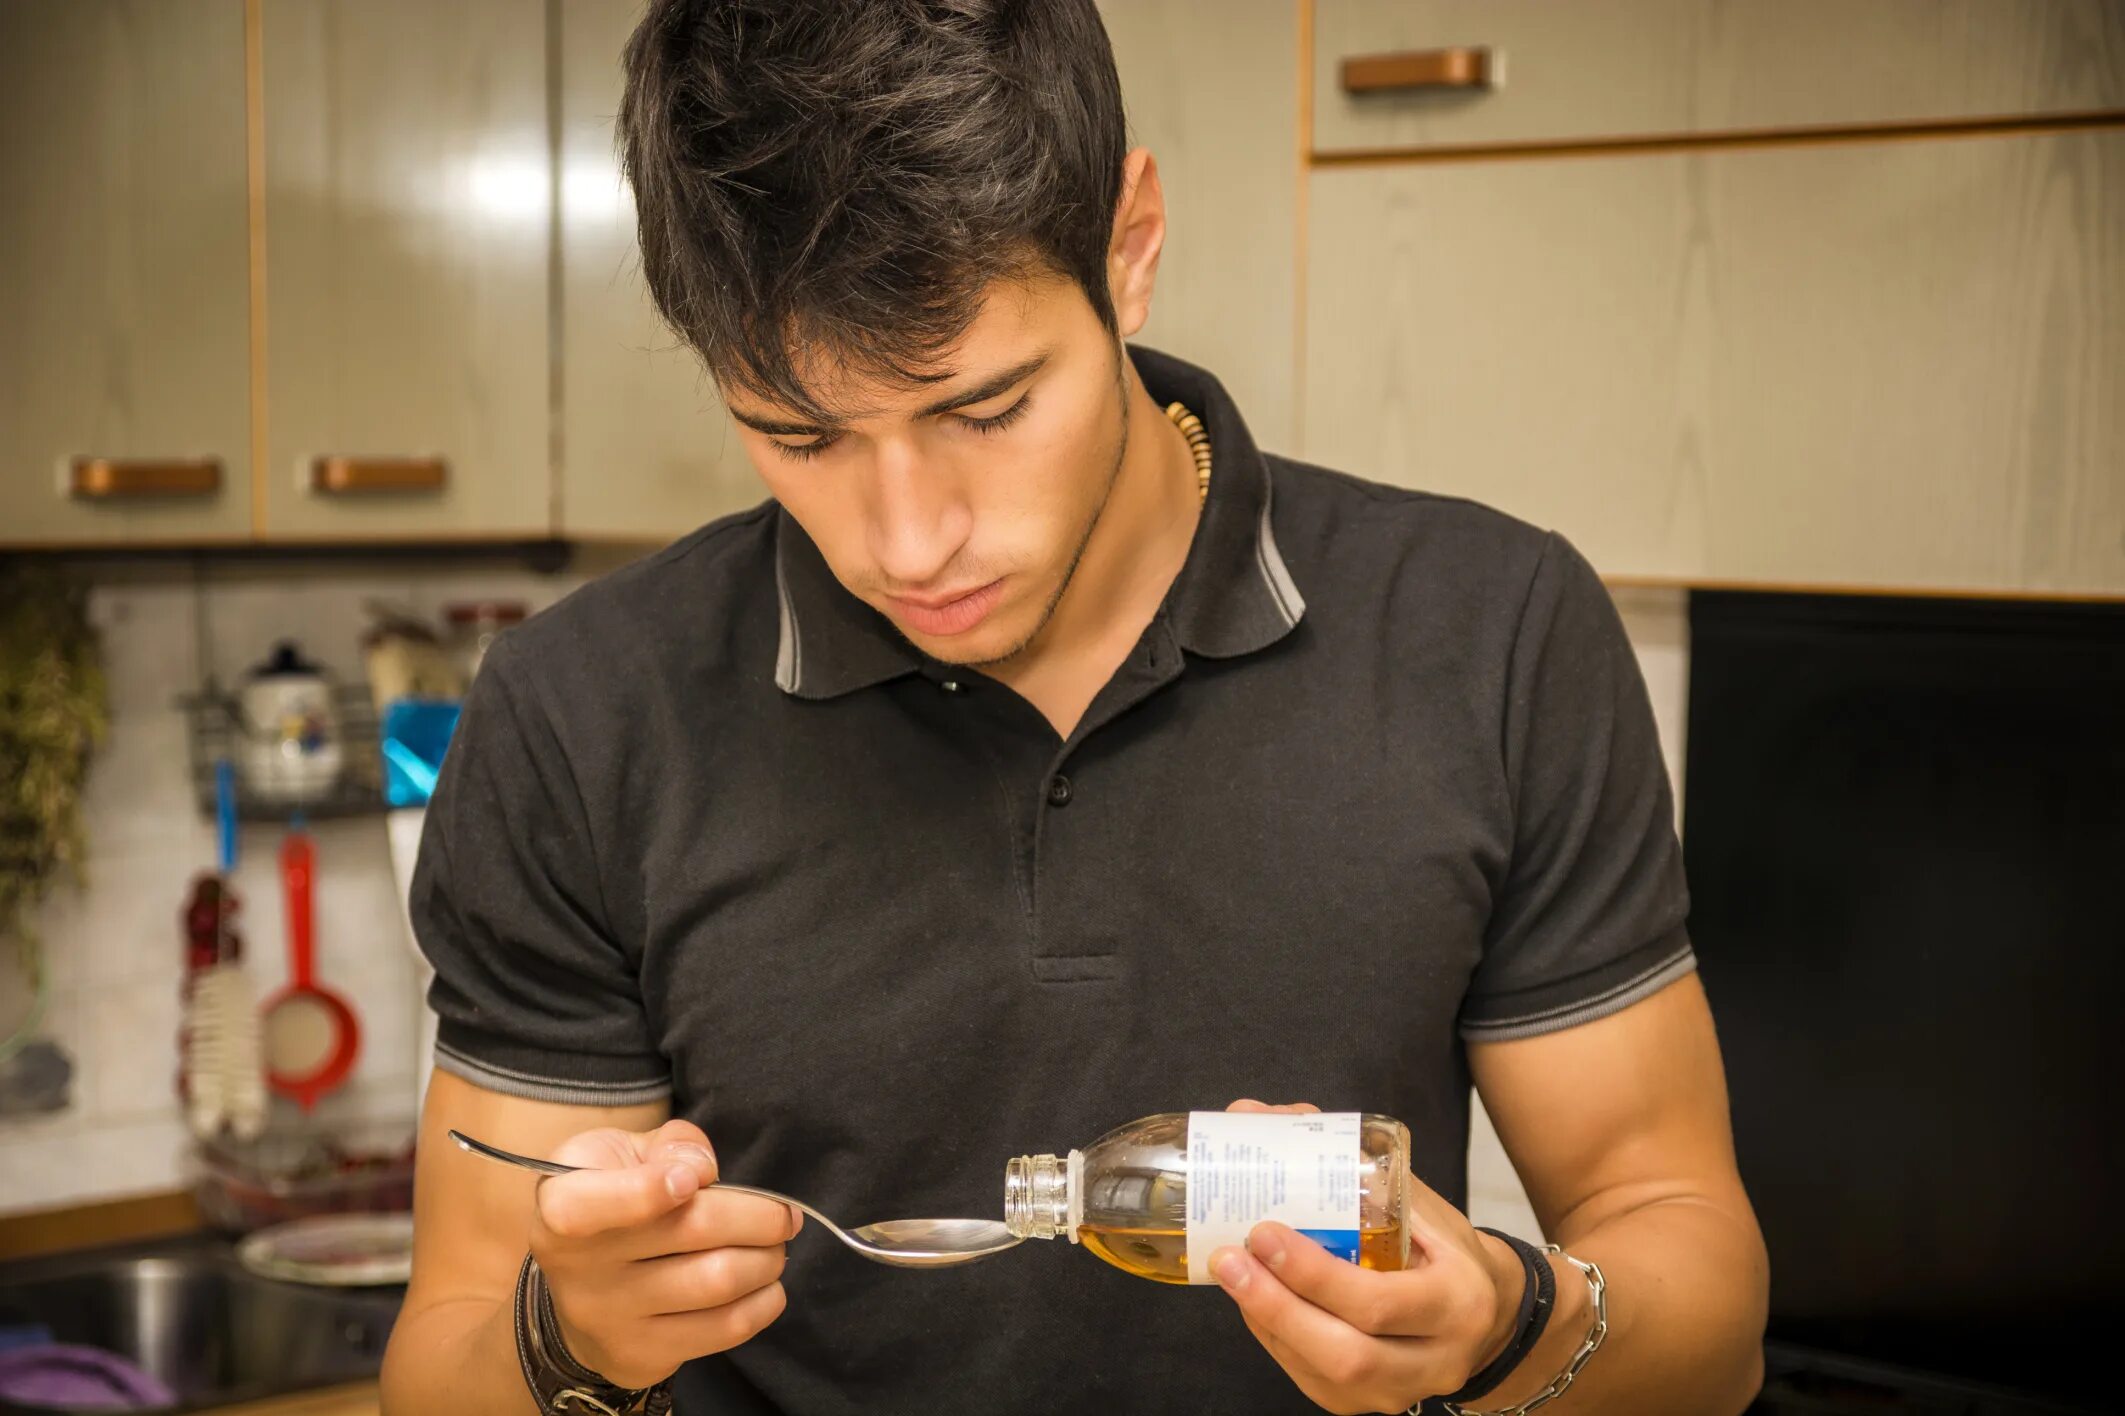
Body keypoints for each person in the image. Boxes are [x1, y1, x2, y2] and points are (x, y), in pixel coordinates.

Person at [379, 2, 1768, 1412]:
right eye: (797, 433)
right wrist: (572, 1339)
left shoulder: (1493, 631)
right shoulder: (579, 716)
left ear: (1130, 243)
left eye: (984, 409)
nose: (908, 544)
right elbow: (445, 1363)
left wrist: (1508, 1320)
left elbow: (1700, 1312)